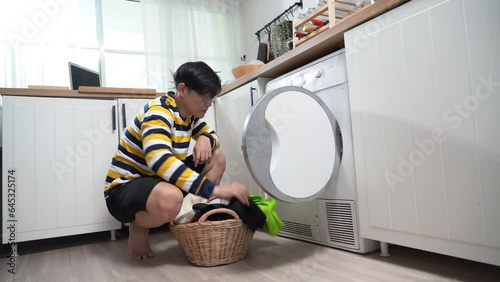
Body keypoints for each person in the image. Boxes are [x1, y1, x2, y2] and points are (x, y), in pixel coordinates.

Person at [103, 61, 250, 260]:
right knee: (171, 196)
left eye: (211, 98)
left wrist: (206, 138)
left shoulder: (190, 116)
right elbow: (160, 161)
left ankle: (188, 214)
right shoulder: (159, 111)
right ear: (183, 89)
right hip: (123, 189)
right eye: (205, 97)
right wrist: (215, 191)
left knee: (217, 157)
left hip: (159, 183)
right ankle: (138, 227)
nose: (208, 104)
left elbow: (215, 136)